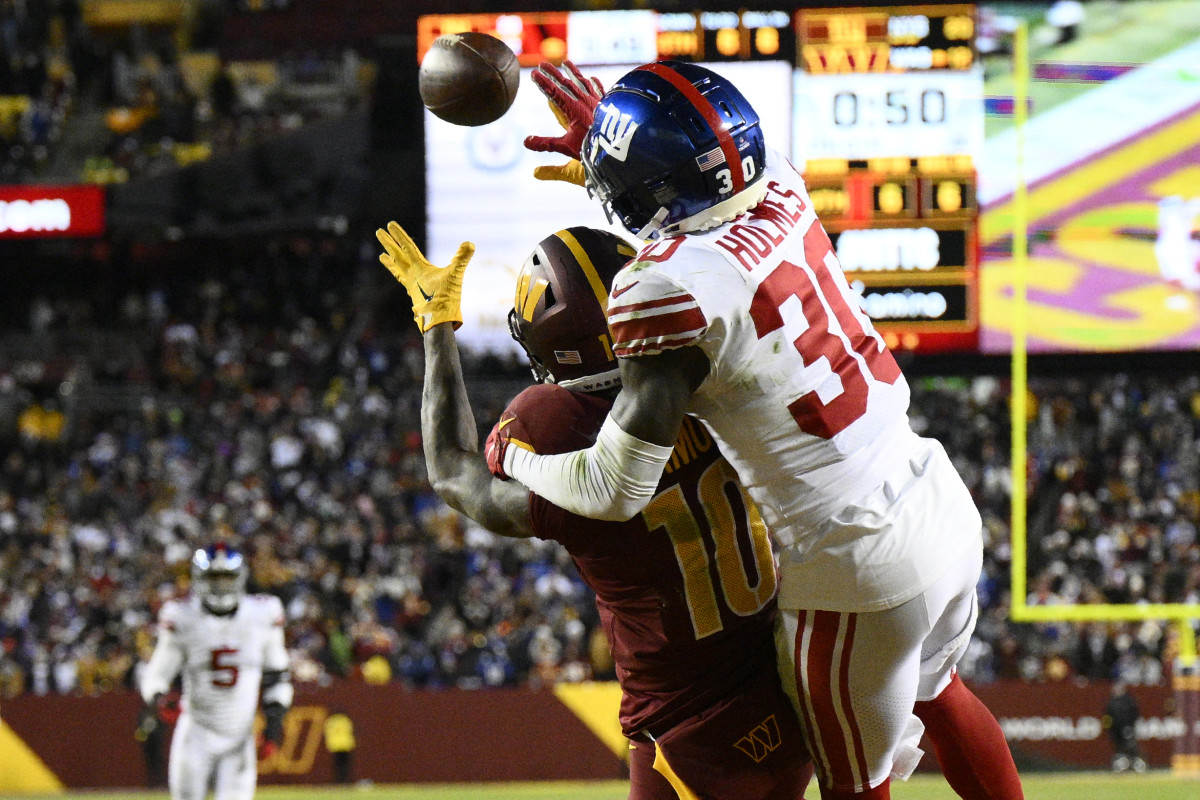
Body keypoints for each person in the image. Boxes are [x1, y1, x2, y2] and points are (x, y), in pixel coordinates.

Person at [486, 60, 1025, 800]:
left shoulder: (657, 288)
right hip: (932, 494)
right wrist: (614, 168)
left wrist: (517, 457)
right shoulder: (781, 183)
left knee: (854, 785)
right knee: (943, 694)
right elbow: (701, 217)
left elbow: (615, 486)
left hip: (852, 555)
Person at [375, 220, 816, 800]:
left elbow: (455, 474)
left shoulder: (560, 430)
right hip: (788, 687)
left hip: (689, 733)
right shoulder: (712, 377)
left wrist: (438, 328)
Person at [140, 544, 293, 800]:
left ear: (240, 578)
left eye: (227, 577)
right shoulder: (182, 616)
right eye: (214, 577)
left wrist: (274, 724)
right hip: (195, 732)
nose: (221, 585)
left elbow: (278, 674)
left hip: (239, 737)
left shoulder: (262, 614)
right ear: (200, 579)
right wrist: (160, 699)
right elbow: (156, 675)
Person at [1103, 681, 1146, 773]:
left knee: (1131, 746)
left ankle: (1136, 763)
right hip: (1116, 729)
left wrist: (1130, 725)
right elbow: (1107, 716)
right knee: (1119, 747)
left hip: (1127, 727)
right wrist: (1109, 727)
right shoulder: (1112, 701)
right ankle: (1122, 763)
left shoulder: (1128, 700)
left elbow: (1134, 713)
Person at [323, 707, 357, 785]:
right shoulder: (345, 720)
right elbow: (351, 731)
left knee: (337, 765)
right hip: (345, 745)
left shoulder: (330, 721)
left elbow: (327, 733)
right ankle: (346, 781)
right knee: (346, 765)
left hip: (335, 746)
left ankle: (338, 781)